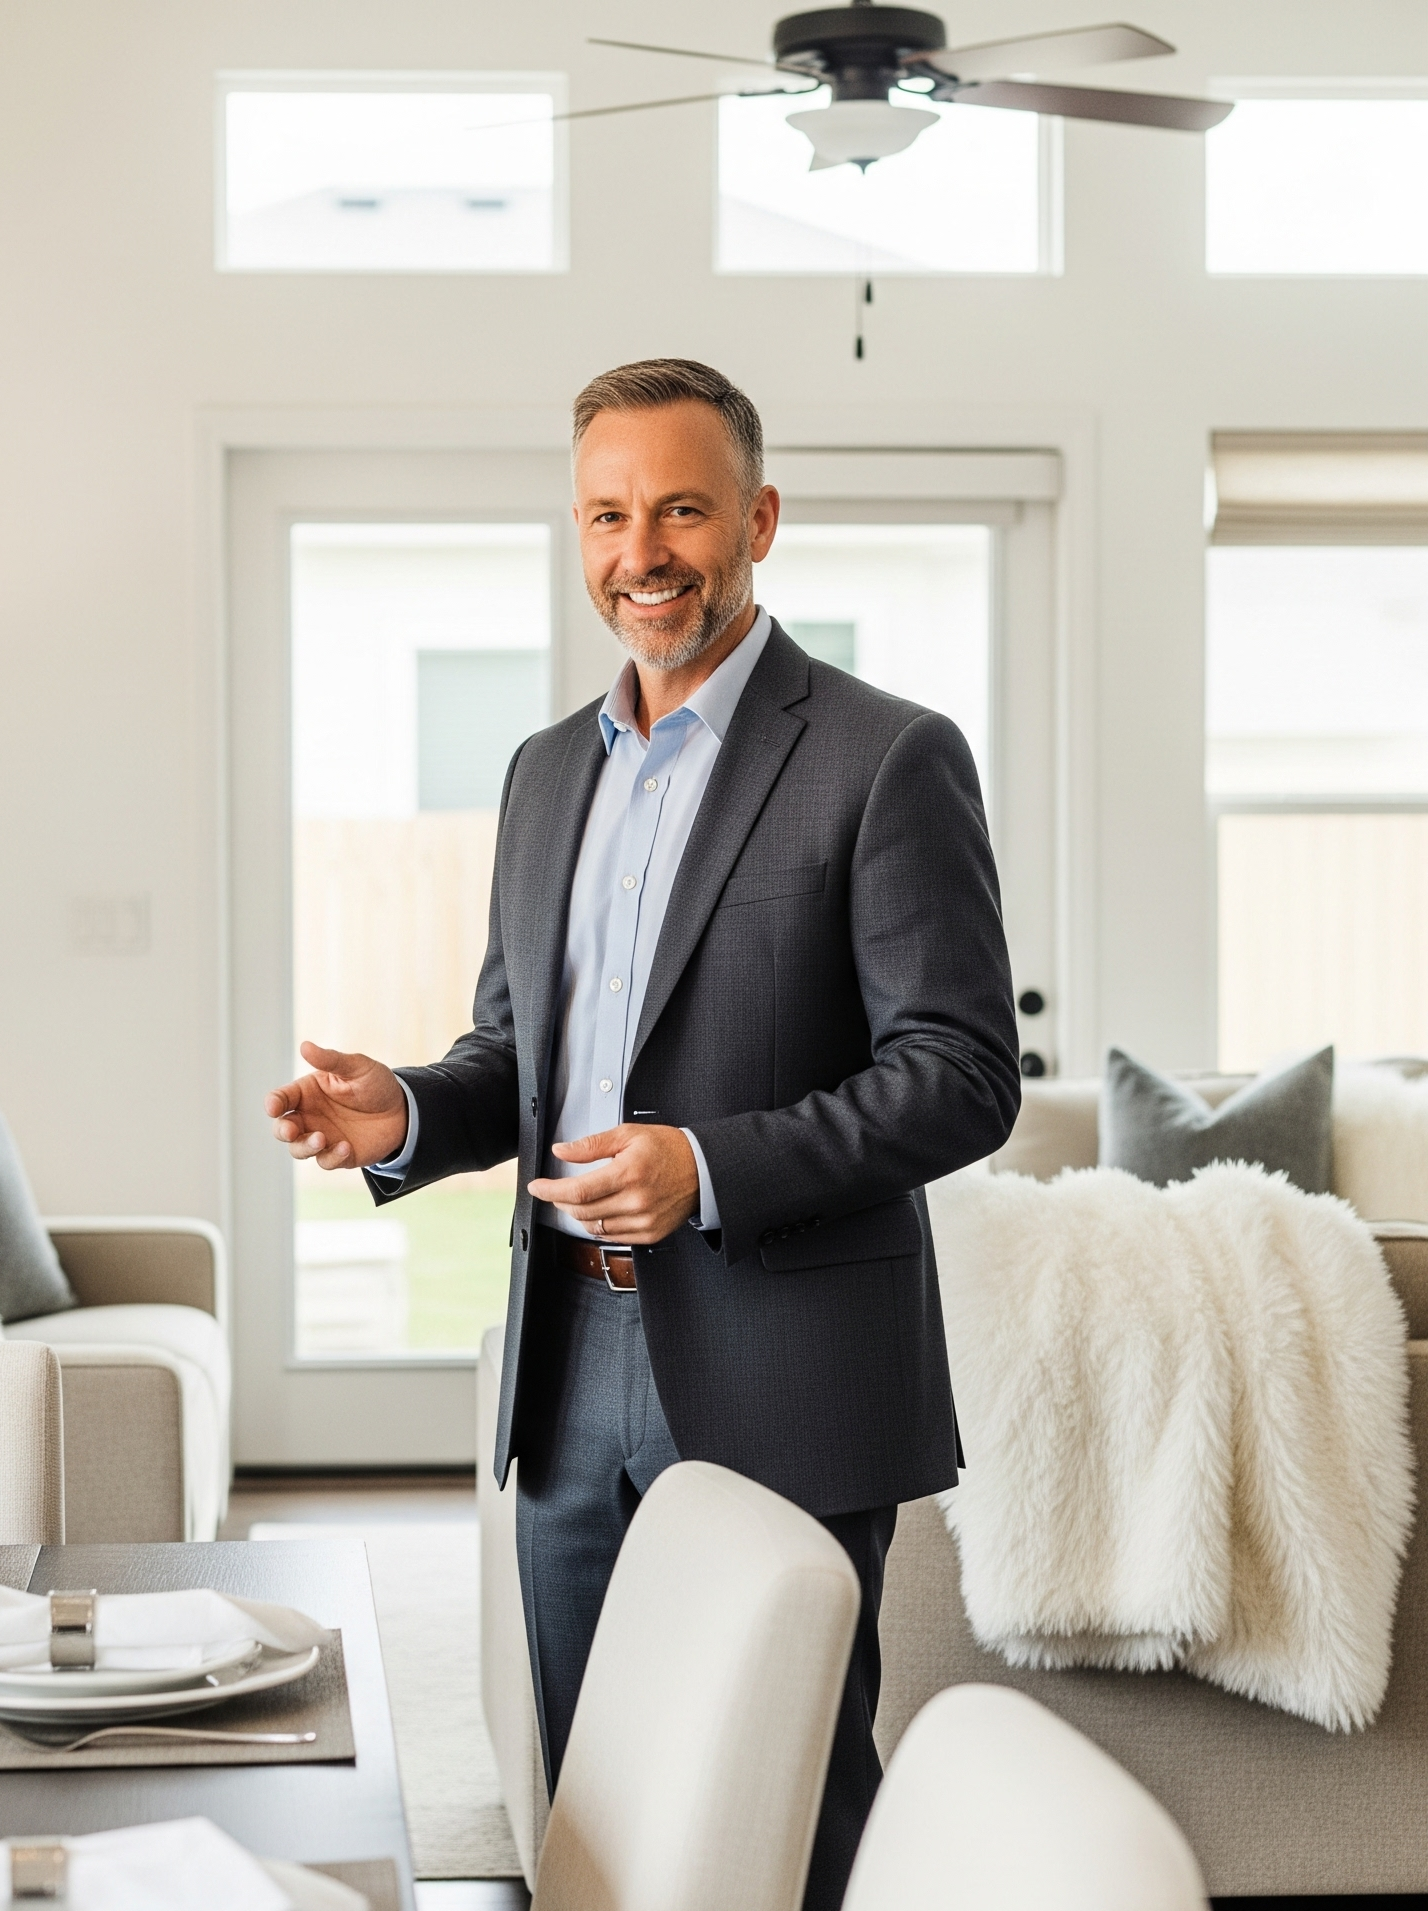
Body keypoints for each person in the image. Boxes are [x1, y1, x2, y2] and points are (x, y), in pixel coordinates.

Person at [264, 357, 1021, 1910]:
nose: (643, 549)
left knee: (786, 1807)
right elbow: (518, 1061)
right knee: (598, 1816)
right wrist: (405, 1107)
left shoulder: (885, 754)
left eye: (681, 506)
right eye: (609, 513)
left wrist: (710, 1169)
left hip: (782, 1364)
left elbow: (961, 1069)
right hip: (571, 1369)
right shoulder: (547, 774)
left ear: (759, 518)